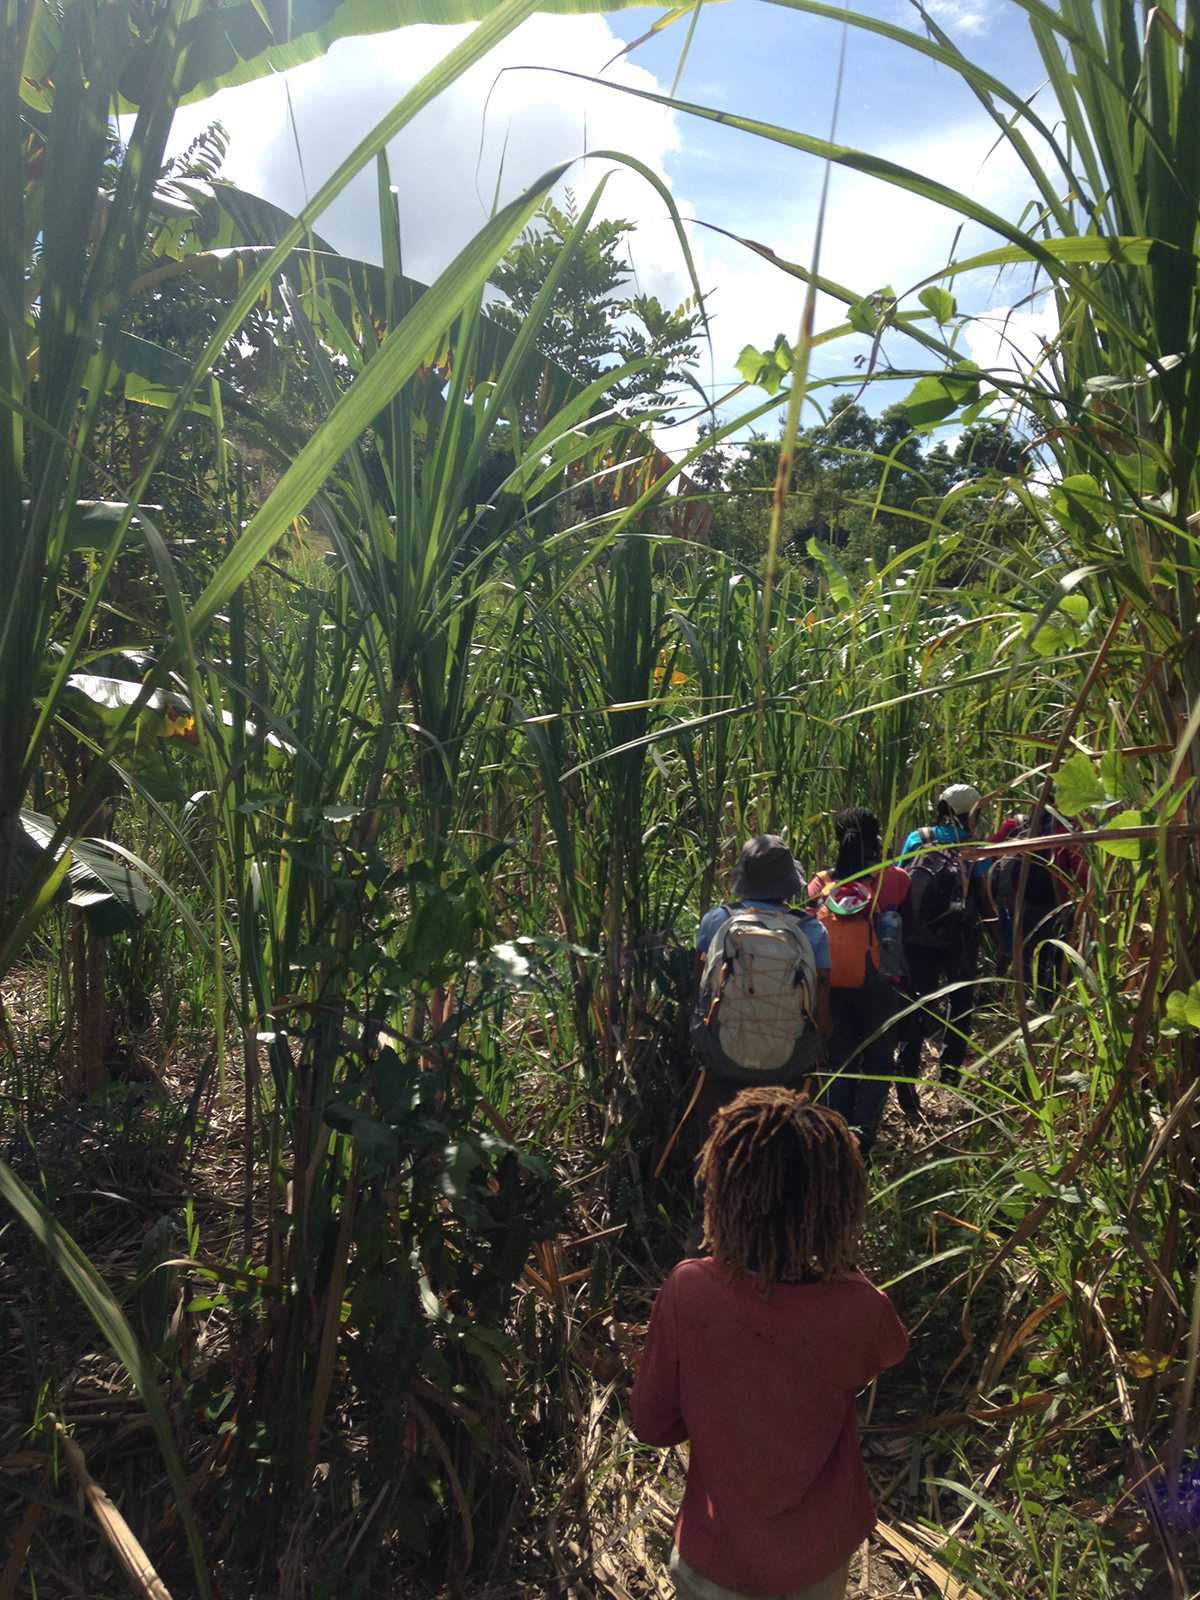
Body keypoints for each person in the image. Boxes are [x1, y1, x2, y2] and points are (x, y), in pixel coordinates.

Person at [631, 1088, 909, 1600]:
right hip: (817, 1560)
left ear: (725, 1193)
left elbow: (652, 1425)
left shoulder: (688, 1290)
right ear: (839, 1206)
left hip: (716, 1560)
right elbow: (886, 1351)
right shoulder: (860, 1308)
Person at [691, 834, 832, 1139]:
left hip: (723, 1057)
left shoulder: (716, 920)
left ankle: (704, 1163)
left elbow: (701, 989)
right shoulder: (812, 930)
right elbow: (821, 1007)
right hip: (790, 1062)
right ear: (788, 883)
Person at [808, 808, 911, 1156]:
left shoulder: (820, 884)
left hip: (831, 983)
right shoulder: (893, 879)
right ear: (876, 838)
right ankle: (862, 1139)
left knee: (841, 1062)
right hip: (878, 984)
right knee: (879, 1063)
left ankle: (836, 1135)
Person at [896, 783, 984, 1090]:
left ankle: (906, 1071)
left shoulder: (917, 838)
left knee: (917, 1002)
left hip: (917, 936)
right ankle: (948, 1073)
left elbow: (899, 879)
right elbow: (984, 897)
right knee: (960, 1002)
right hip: (959, 939)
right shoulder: (974, 848)